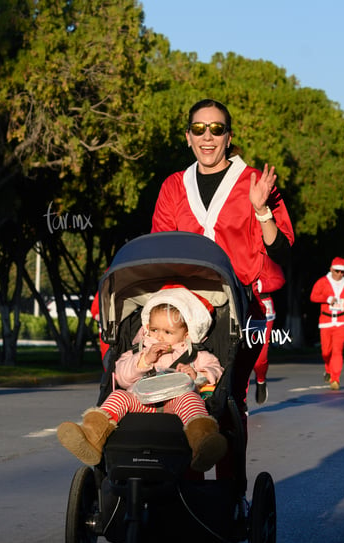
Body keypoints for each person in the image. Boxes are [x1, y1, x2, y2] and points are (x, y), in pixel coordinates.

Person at [151, 98, 294, 416]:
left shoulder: (254, 182)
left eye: (216, 129)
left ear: (229, 137)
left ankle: (233, 468)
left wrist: (261, 210)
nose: (207, 137)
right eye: (199, 129)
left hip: (242, 309)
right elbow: (161, 249)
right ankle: (191, 463)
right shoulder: (173, 186)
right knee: (182, 401)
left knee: (229, 399)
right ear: (188, 136)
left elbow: (281, 248)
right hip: (185, 312)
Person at [57, 285, 227, 472]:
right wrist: (143, 361)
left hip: (175, 402)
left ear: (186, 334)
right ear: (147, 328)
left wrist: (198, 375)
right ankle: (92, 437)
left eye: (167, 332)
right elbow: (121, 376)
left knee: (190, 399)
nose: (159, 336)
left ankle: (202, 443)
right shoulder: (140, 351)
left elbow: (216, 369)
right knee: (118, 397)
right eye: (154, 330)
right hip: (141, 402)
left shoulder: (195, 354)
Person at [310, 257, 344, 390]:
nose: (339, 274)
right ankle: (328, 369)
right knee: (326, 351)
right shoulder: (322, 282)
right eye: (337, 271)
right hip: (326, 320)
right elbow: (313, 296)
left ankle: (335, 378)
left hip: (341, 320)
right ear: (331, 269)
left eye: (342, 272)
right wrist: (327, 298)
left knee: (337, 350)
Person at [253, 255, 286, 405]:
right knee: (240, 357)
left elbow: (279, 279)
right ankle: (241, 404)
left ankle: (261, 379)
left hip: (264, 309)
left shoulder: (265, 257)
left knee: (260, 358)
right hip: (241, 307)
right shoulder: (234, 251)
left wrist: (259, 285)